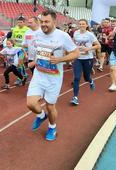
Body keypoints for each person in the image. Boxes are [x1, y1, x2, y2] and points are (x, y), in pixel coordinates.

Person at [26, 10, 79, 141]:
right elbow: (40, 51)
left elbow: (76, 53)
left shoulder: (63, 36)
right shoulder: (37, 34)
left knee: (50, 106)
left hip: (54, 78)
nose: (43, 24)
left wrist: (60, 59)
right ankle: (40, 116)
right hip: (39, 74)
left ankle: (52, 126)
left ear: (54, 22)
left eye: (47, 22)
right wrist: (34, 61)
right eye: (42, 21)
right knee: (31, 104)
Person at [71, 19, 101, 105]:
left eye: (83, 24)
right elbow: (73, 42)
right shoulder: (76, 33)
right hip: (78, 58)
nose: (81, 25)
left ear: (87, 25)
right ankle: (75, 97)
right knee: (76, 78)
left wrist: (88, 49)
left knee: (86, 77)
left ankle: (91, 81)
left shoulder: (90, 35)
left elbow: (98, 45)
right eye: (80, 24)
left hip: (88, 58)